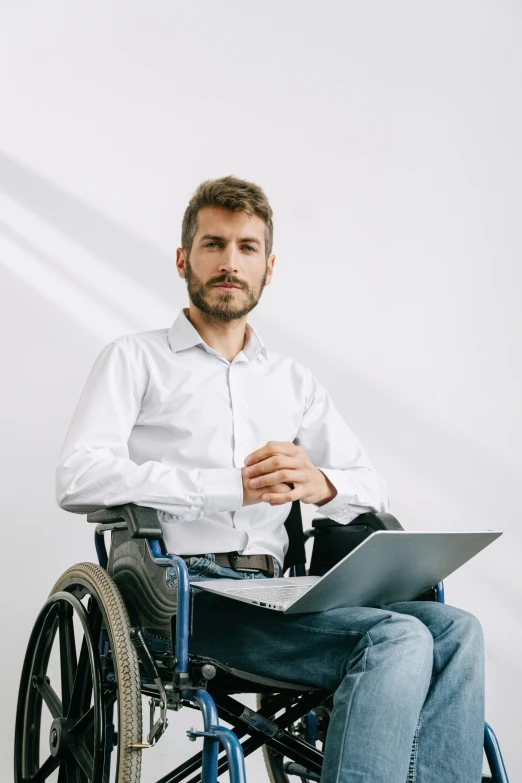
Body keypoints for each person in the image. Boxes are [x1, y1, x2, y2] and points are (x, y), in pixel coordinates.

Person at [56, 176, 485, 783]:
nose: (230, 263)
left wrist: (321, 484)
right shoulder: (134, 359)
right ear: (184, 259)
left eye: (247, 248)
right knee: (396, 640)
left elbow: (372, 486)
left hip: (284, 593)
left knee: (456, 631)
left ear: (269, 267)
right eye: (214, 244)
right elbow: (78, 477)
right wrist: (229, 487)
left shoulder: (293, 382)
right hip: (184, 597)